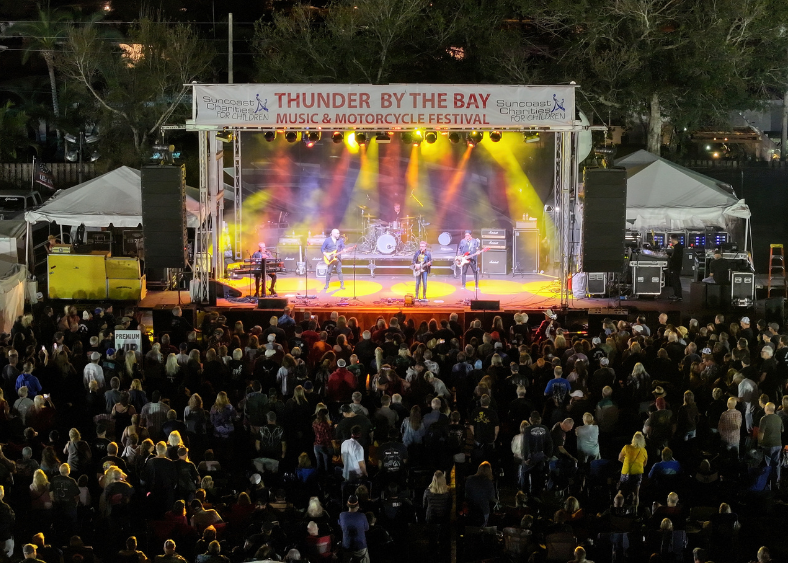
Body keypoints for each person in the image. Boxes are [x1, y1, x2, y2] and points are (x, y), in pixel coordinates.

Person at [338, 495, 369, 563]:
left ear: (347, 504)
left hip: (346, 546)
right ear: (357, 505)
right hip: (360, 547)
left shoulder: (342, 515)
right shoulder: (362, 516)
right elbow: (366, 528)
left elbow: (341, 526)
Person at [667, 234, 684, 301]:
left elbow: (676, 258)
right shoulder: (678, 246)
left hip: (675, 267)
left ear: (673, 239)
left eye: (670, 239)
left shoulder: (678, 247)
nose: (670, 240)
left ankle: (678, 296)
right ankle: (676, 294)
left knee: (675, 281)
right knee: (674, 281)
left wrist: (669, 257)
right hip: (676, 266)